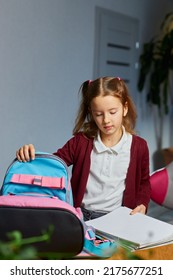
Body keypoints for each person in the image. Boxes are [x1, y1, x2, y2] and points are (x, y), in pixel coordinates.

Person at [16, 76, 151, 221]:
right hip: (81, 217)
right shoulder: (80, 142)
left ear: (125, 108)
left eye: (112, 112)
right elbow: (53, 164)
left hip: (119, 219)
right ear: (91, 113)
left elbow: (144, 182)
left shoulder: (139, 146)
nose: (106, 120)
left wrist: (142, 204)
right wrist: (30, 155)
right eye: (98, 114)